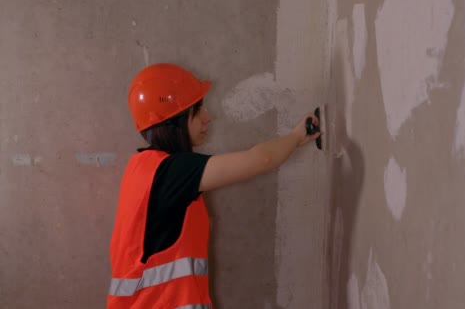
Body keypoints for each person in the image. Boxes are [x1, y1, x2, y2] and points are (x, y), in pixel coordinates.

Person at [107, 63, 320, 308]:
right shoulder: (173, 171)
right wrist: (296, 136)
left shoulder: (141, 168)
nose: (207, 117)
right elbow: (261, 159)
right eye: (197, 110)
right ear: (175, 120)